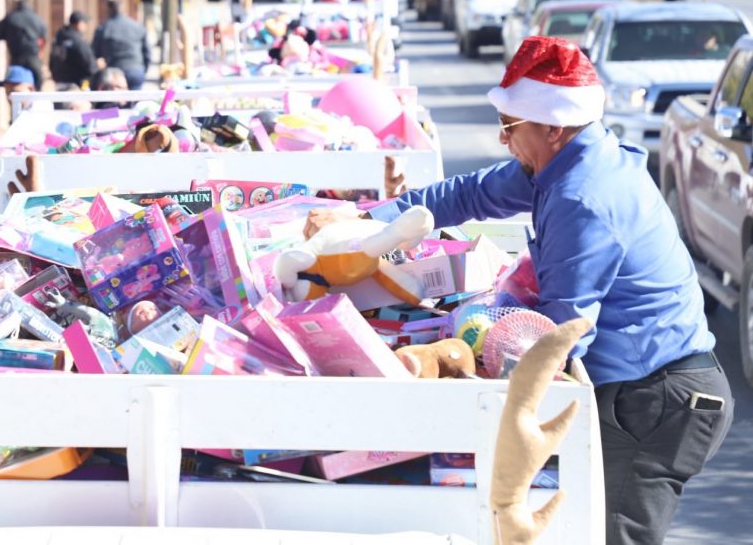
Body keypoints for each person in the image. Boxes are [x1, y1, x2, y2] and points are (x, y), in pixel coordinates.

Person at [305, 36, 732, 545]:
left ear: (553, 126)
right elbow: (470, 193)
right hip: (652, 389)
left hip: (657, 398)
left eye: (509, 126)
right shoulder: (567, 158)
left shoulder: (583, 196)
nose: (503, 139)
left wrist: (470, 370)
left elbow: (558, 341)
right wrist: (367, 223)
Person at [92, 0, 150, 90]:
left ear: (109, 10)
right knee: (135, 98)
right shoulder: (137, 26)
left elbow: (95, 52)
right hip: (135, 70)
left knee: (116, 98)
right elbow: (147, 52)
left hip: (114, 74)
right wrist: (143, 69)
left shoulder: (104, 28)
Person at [0, 0, 47, 90]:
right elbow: (43, 38)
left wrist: (11, 35)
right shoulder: (37, 18)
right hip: (33, 54)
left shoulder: (10, 18)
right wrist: (40, 51)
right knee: (37, 81)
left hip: (16, 56)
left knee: (15, 83)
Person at [49, 10, 96, 91]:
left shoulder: (59, 37)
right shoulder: (77, 40)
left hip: (59, 83)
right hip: (76, 85)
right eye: (85, 23)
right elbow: (90, 65)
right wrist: (97, 66)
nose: (86, 26)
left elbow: (52, 60)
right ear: (79, 24)